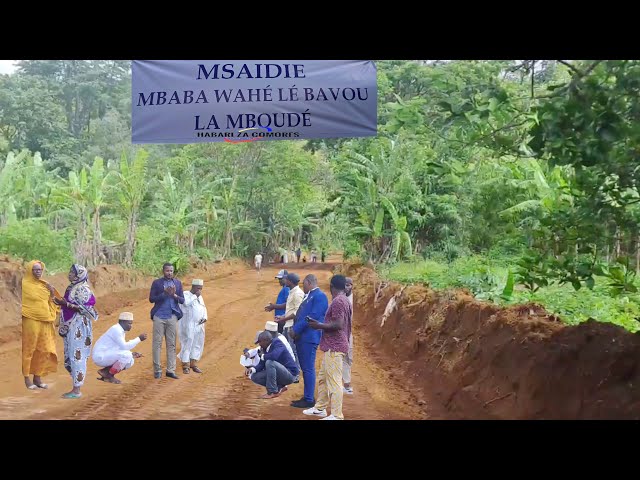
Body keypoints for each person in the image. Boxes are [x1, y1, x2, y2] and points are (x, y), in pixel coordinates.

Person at [303, 275, 352, 420]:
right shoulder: (345, 300)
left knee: (335, 381)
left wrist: (318, 325)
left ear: (331, 286)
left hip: (335, 347)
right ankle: (320, 408)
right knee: (323, 378)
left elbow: (338, 324)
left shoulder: (338, 301)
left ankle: (337, 415)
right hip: (333, 346)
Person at [54, 264, 98, 399]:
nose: (70, 274)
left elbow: (83, 309)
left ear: (79, 275)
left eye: (73, 273)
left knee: (77, 355)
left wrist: (64, 304)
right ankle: (76, 386)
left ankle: (77, 390)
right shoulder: (73, 287)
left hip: (78, 325)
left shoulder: (82, 289)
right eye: (70, 272)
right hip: (72, 325)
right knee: (71, 355)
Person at [288, 274, 329, 409]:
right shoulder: (310, 296)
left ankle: (309, 398)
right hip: (303, 337)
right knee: (306, 369)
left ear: (309, 282)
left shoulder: (319, 296)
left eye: (304, 283)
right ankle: (307, 396)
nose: (302, 286)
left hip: (309, 337)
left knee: (308, 368)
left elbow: (313, 317)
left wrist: (296, 329)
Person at [21, 260, 60, 390]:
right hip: (30, 319)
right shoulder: (24, 284)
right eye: (35, 270)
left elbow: (53, 301)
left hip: (46, 320)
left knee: (44, 349)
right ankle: (27, 378)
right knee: (29, 348)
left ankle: (37, 377)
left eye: (40, 270)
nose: (38, 272)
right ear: (29, 271)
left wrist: (52, 292)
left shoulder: (44, 285)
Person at [149, 263, 185, 379]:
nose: (169, 273)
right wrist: (164, 294)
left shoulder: (178, 283)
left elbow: (182, 300)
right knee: (157, 344)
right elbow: (151, 299)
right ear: (163, 271)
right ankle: (157, 370)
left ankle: (171, 370)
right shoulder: (157, 283)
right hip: (159, 316)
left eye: (171, 271)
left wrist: (174, 295)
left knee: (172, 344)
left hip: (172, 316)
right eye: (167, 271)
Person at [93, 312, 148, 384]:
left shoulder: (120, 330)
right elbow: (125, 346)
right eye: (129, 323)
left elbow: (120, 348)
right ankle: (109, 375)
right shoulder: (117, 330)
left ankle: (106, 372)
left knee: (130, 361)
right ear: (122, 322)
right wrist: (139, 339)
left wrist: (132, 353)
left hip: (106, 354)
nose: (131, 326)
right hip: (100, 356)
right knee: (127, 355)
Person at [245, 331, 299, 399]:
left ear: (266, 341)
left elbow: (274, 356)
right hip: (280, 373)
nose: (259, 344)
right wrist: (252, 369)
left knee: (270, 362)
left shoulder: (277, 343)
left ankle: (273, 392)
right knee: (255, 377)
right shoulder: (265, 348)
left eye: (260, 342)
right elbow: (261, 364)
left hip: (290, 374)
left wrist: (263, 356)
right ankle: (279, 387)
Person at [178, 279, 207, 374]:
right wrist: (195, 296)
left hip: (199, 324)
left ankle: (193, 364)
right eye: (198, 288)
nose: (200, 290)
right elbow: (186, 303)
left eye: (201, 289)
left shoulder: (200, 296)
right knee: (187, 343)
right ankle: (185, 365)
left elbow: (203, 307)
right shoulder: (185, 294)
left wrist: (205, 317)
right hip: (189, 324)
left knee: (197, 343)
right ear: (193, 287)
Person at [274, 272, 305, 363]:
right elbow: (290, 309)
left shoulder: (298, 294)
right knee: (283, 346)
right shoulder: (292, 292)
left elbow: (297, 312)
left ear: (290, 282)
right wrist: (282, 316)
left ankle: (296, 371)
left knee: (293, 350)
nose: (285, 281)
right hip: (287, 325)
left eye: (286, 279)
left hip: (292, 326)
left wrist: (283, 319)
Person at [264, 269, 289, 334]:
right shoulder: (285, 288)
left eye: (281, 279)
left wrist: (274, 306)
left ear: (286, 278)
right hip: (280, 318)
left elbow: (288, 304)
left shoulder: (286, 288)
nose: (279, 281)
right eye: (279, 279)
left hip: (282, 319)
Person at [343, 277, 354, 395]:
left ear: (352, 286)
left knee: (347, 358)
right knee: (343, 358)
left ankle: (347, 385)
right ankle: (346, 385)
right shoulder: (344, 298)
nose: (346, 287)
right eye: (344, 285)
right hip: (344, 332)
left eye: (348, 285)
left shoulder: (351, 300)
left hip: (348, 332)